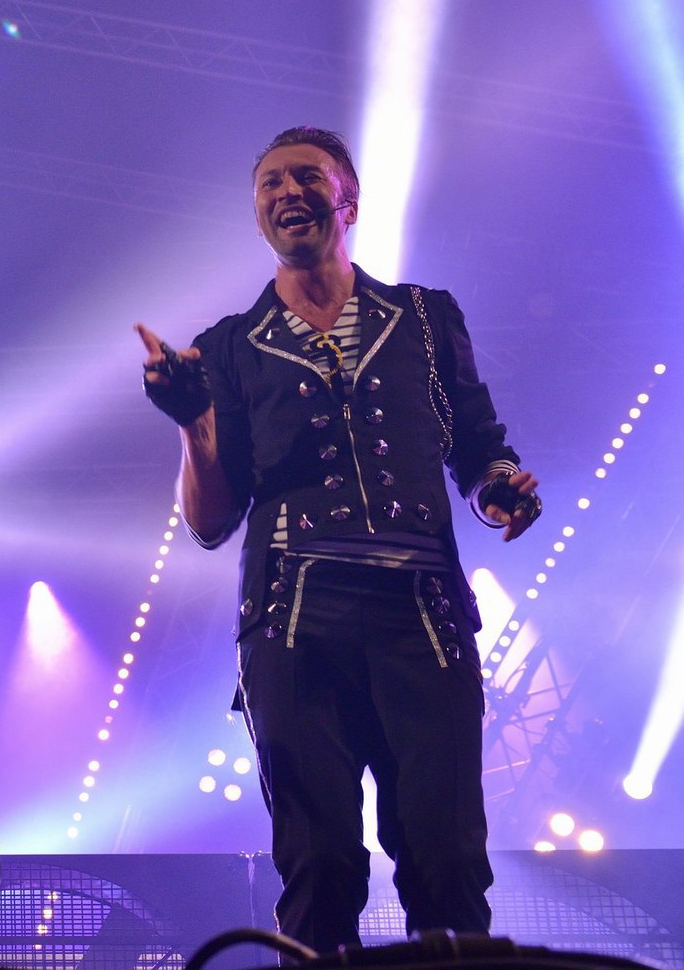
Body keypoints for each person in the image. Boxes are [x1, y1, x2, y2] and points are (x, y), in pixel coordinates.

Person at [135, 128, 539, 952]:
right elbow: (210, 521)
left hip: (422, 614)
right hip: (294, 618)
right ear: (257, 213)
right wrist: (193, 422)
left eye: (307, 177)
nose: (288, 191)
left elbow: (477, 444)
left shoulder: (423, 317)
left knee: (448, 860)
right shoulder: (229, 346)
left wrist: (499, 487)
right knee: (318, 864)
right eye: (270, 182)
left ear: (347, 201)